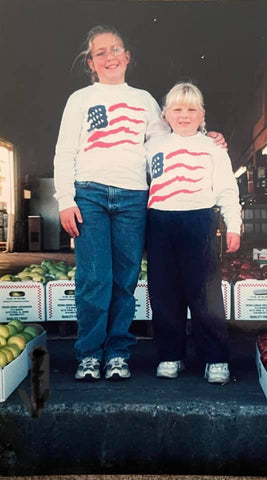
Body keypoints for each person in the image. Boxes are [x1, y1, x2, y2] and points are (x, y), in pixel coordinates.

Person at [53, 25, 227, 382]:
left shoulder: (145, 100)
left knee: (125, 280)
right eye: (100, 52)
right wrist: (65, 199)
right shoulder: (80, 100)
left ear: (127, 57)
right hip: (90, 194)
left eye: (115, 49)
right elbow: (65, 151)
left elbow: (175, 138)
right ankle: (89, 353)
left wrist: (207, 138)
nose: (110, 57)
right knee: (94, 278)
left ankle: (117, 352)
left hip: (134, 197)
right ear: (91, 62)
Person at [146, 82, 241, 384]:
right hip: (159, 222)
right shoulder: (151, 148)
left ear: (202, 114)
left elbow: (227, 188)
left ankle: (215, 358)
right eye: (177, 109)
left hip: (200, 221)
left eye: (191, 109)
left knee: (205, 294)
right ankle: (171, 355)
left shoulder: (212, 147)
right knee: (164, 292)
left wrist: (234, 225)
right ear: (165, 114)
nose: (184, 115)